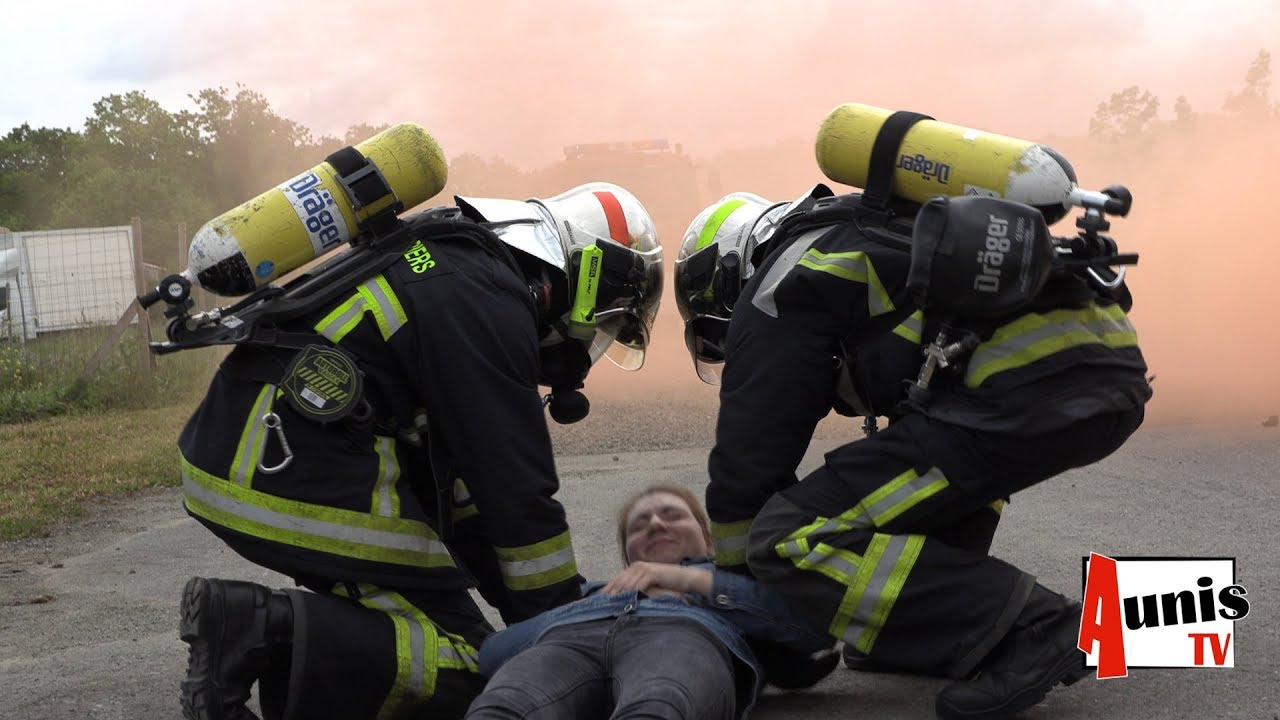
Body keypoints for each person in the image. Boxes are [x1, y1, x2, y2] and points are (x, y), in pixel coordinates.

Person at [174, 181, 664, 720]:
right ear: (589, 279)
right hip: (279, 463)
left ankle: (272, 649)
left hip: (255, 449)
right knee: (473, 672)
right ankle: (250, 626)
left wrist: (549, 617)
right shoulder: (486, 303)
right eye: (605, 324)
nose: (589, 345)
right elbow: (516, 495)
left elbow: (466, 492)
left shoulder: (460, 262)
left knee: (480, 652)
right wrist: (565, 644)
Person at [674, 181, 1151, 719]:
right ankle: (949, 632)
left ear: (728, 272)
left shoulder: (779, 281)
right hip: (1105, 377)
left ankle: (1037, 625)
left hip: (1017, 393)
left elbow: (750, 464)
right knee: (910, 472)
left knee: (787, 538)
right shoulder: (876, 232)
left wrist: (747, 606)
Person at [465, 483, 837, 720]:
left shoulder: (730, 589)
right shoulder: (589, 594)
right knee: (498, 708)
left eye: (673, 515)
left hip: (685, 636)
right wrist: (588, 606)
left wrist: (691, 580)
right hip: (571, 640)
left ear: (708, 541)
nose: (656, 524)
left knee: (658, 708)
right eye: (640, 525)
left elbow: (814, 631)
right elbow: (494, 653)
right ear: (629, 558)